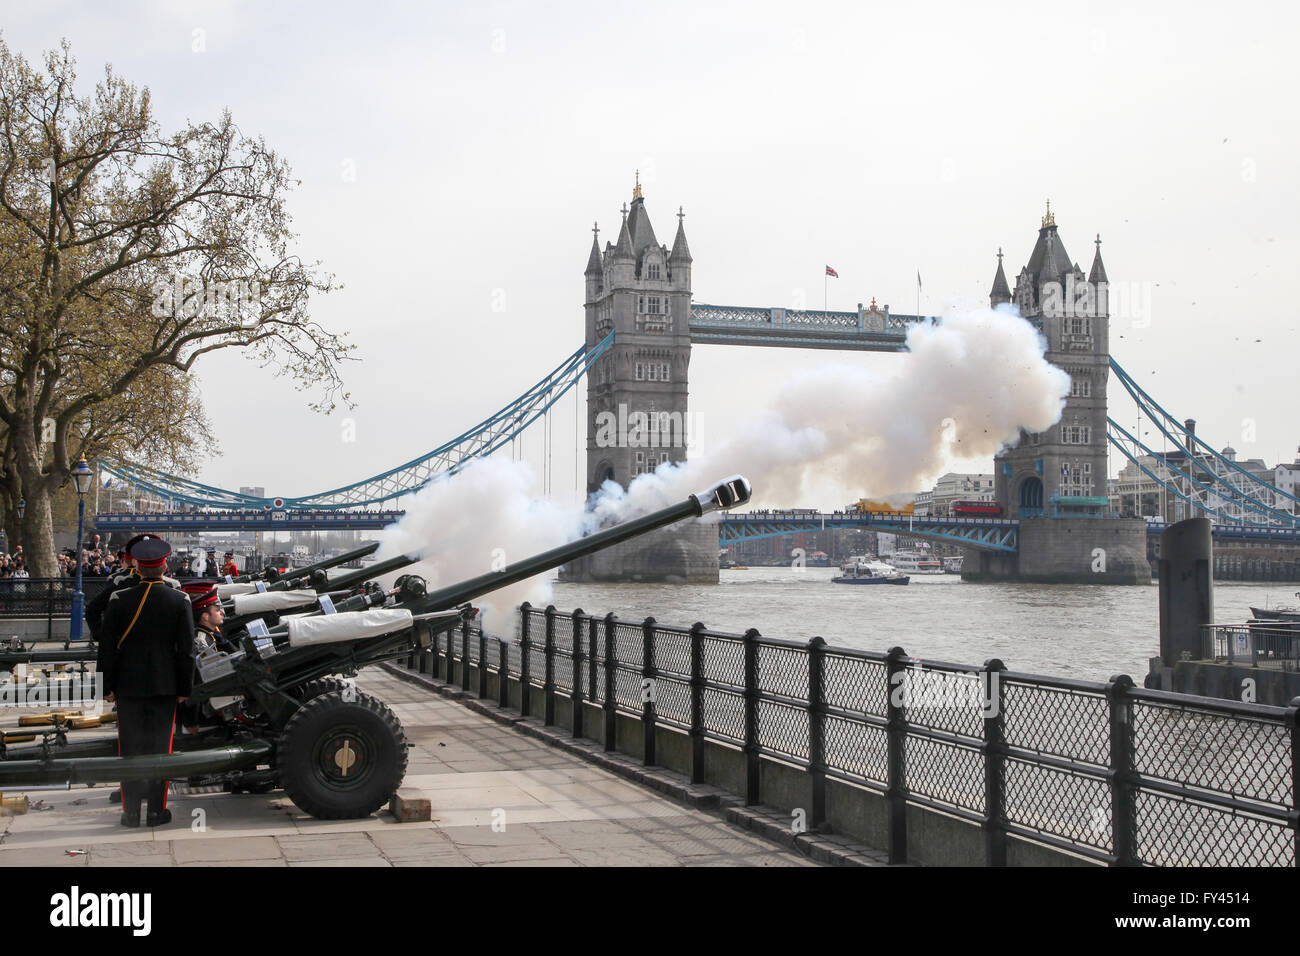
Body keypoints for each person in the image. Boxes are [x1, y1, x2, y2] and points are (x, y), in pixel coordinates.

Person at [97, 536, 195, 828]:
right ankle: (156, 811)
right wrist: (184, 689)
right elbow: (186, 651)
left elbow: (107, 647)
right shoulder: (180, 600)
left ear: (137, 567)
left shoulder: (119, 600)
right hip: (165, 686)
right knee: (159, 749)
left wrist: (107, 687)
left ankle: (130, 813)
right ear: (164, 566)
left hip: (128, 686)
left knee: (129, 749)